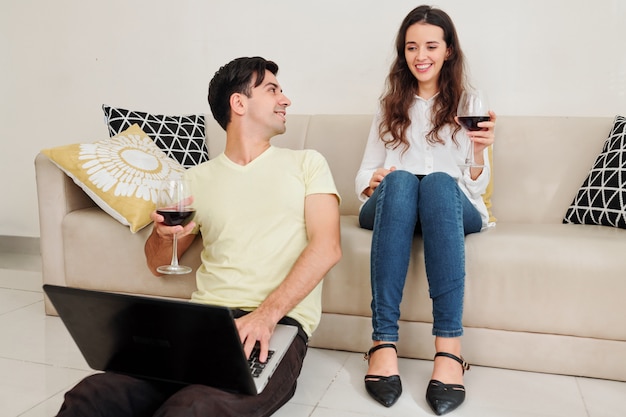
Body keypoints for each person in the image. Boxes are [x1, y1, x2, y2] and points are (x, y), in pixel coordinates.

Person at [55, 56, 342, 417]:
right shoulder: (194, 179)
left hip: (274, 327)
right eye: (273, 90)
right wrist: (163, 236)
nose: (286, 100)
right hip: (202, 324)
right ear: (238, 103)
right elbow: (158, 264)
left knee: (194, 408)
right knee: (91, 395)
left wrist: (265, 316)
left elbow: (327, 247)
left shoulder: (307, 164)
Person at [355, 5, 496, 415]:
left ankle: (449, 352)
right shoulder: (389, 106)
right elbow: (361, 176)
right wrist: (375, 180)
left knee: (437, 183)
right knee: (401, 180)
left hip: (449, 206)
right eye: (412, 47)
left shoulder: (468, 106)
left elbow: (475, 187)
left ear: (448, 50)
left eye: (431, 46)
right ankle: (383, 343)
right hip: (394, 203)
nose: (421, 55)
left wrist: (479, 152)